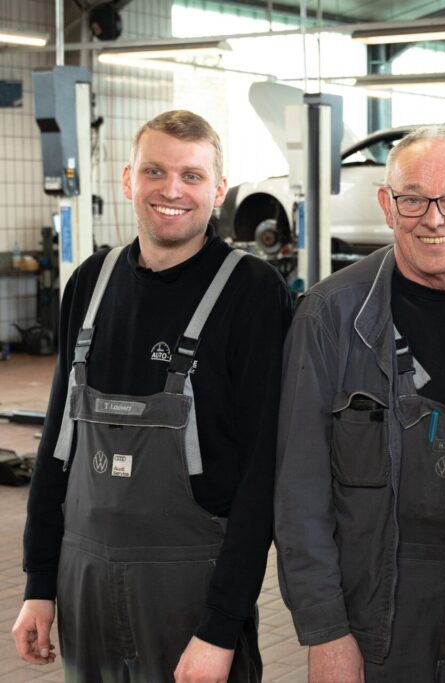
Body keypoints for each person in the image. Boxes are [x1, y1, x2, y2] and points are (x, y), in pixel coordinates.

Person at [11, 110, 292, 682]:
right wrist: (39, 582)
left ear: (217, 191)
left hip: (190, 588)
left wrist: (222, 624)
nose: (171, 190)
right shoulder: (90, 283)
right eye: (155, 171)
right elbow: (56, 445)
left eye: (192, 176)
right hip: (82, 575)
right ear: (127, 180)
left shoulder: (253, 292)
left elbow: (264, 474)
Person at [274, 126, 445, 682]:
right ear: (387, 206)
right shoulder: (330, 316)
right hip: (379, 603)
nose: (434, 217)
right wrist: (325, 632)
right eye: (414, 198)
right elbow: (298, 492)